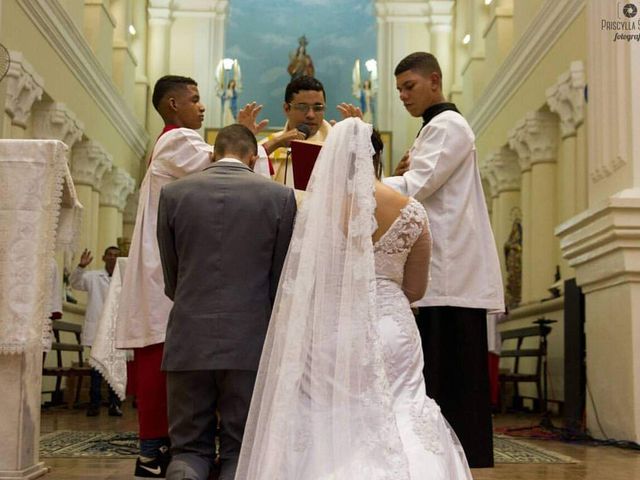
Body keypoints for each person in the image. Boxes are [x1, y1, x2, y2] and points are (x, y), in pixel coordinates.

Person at [236, 118, 472, 479]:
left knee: (328, 413)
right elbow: (416, 289)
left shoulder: (314, 211)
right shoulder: (411, 211)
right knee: (401, 409)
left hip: (331, 328)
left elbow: (305, 278)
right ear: (377, 157)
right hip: (391, 327)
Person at [115, 75, 269, 479]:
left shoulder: (175, 140)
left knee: (170, 351)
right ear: (172, 105)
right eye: (195, 100)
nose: (202, 107)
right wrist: (253, 141)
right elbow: (228, 170)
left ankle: (168, 449)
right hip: (166, 262)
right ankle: (153, 451)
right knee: (162, 352)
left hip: (175, 256)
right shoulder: (177, 139)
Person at [384, 52, 505, 468]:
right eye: (398, 89)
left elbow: (417, 184)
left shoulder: (448, 125)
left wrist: (363, 182)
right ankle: (443, 457)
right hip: (440, 269)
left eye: (409, 86)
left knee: (452, 374)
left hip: (450, 269)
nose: (402, 95)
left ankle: (461, 458)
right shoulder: (432, 129)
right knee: (441, 372)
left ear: (434, 80)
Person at [156, 124, 297, 480]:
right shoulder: (280, 197)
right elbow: (279, 278)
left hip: (189, 334)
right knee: (240, 448)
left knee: (187, 449)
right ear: (253, 158)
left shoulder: (173, 194)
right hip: (250, 338)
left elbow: (172, 274)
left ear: (213, 155)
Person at [69, 246, 123, 417]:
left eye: (116, 256)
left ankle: (115, 404)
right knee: (96, 367)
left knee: (115, 367)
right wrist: (81, 266)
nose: (113, 258)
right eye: (110, 255)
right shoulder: (92, 276)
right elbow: (75, 283)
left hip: (115, 328)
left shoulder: (125, 277)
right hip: (97, 327)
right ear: (103, 257)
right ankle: (94, 404)